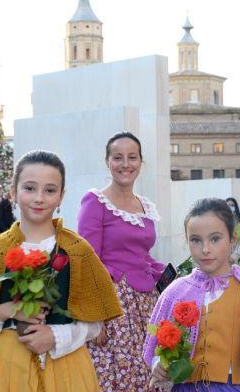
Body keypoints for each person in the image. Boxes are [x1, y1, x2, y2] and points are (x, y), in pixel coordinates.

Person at [0, 150, 123, 391]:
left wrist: (55, 336)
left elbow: (95, 324)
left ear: (61, 196)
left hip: (65, 368)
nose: (39, 198)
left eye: (50, 190)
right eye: (30, 188)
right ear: (13, 191)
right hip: (3, 367)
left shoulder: (77, 250)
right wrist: (5, 311)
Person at [144, 198, 240, 391]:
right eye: (196, 240)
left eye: (215, 239)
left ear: (232, 239)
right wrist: (161, 365)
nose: (205, 249)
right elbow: (158, 348)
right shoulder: (175, 291)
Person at [78, 131, 164, 391]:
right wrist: (96, 315)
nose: (125, 164)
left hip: (146, 304)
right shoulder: (96, 201)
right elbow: (87, 259)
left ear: (140, 162)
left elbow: (142, 254)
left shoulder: (144, 205)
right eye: (118, 157)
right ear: (108, 162)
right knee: (119, 377)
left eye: (132, 157)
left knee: (150, 375)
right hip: (114, 304)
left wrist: (171, 275)